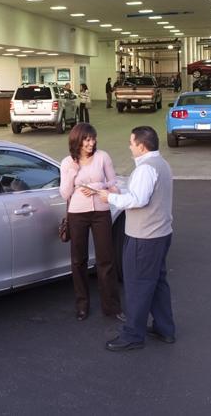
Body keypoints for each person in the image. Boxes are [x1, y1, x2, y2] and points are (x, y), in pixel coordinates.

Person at [94, 126, 175, 352]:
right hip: (161, 234)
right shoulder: (162, 165)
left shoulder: (146, 169)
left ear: (141, 145)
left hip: (144, 237)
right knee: (157, 282)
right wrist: (119, 189)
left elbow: (138, 199)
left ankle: (133, 334)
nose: (129, 146)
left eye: (131, 143)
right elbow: (143, 194)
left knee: (137, 285)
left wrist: (108, 197)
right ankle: (165, 327)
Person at [59, 123, 122, 322]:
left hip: (101, 212)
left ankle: (111, 307)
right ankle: (82, 305)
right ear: (77, 140)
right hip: (77, 213)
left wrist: (96, 187)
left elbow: (113, 185)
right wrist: (73, 172)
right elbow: (65, 193)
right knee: (79, 261)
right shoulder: (68, 162)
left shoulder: (103, 157)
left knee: (106, 259)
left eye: (93, 139)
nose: (91, 143)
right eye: (87, 140)